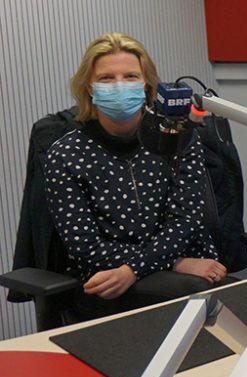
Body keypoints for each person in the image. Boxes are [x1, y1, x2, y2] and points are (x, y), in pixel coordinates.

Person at [42, 32, 227, 318]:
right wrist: (173, 263)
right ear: (89, 88)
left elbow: (188, 219)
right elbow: (85, 246)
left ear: (147, 85)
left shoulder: (177, 137)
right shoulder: (65, 155)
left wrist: (144, 266)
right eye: (106, 78)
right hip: (110, 278)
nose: (119, 86)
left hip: (192, 269)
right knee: (198, 303)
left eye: (130, 76)